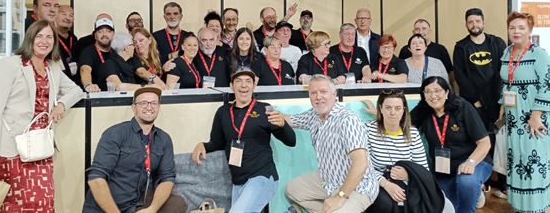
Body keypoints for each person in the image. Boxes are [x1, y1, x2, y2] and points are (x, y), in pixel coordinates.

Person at [0, 20, 83, 212]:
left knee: (44, 204)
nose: (44, 41)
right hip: (13, 150)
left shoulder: (52, 67)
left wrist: (61, 105)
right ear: (30, 38)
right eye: (39, 36)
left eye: (49, 37)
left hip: (41, 150)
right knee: (14, 205)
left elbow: (76, 91)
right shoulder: (10, 65)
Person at [191, 68, 296, 212]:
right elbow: (218, 142)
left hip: (263, 177)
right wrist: (202, 145)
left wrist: (283, 125)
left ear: (254, 85)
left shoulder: (265, 109)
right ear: (231, 85)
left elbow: (291, 141)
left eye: (248, 81)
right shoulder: (223, 112)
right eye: (239, 81)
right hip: (238, 182)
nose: (243, 85)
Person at [281, 75, 378, 212]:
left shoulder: (347, 120)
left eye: (323, 92)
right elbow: (289, 120)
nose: (318, 97)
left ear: (334, 94)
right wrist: (264, 112)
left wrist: (340, 197)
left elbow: (361, 164)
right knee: (292, 190)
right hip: (329, 180)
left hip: (358, 186)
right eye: (313, 93)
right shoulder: (313, 115)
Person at [84, 86, 187, 212]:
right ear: (134, 108)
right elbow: (95, 179)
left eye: (154, 103)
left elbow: (168, 178)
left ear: (159, 107)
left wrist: (152, 209)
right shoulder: (115, 134)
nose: (149, 107)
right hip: (107, 208)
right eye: (143, 103)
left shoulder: (164, 139)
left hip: (136, 204)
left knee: (177, 204)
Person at [411, 76, 492, 213]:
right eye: (428, 91)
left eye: (438, 90)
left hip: (474, 162)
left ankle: (474, 190)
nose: (433, 96)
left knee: (466, 182)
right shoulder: (423, 110)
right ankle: (475, 192)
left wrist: (470, 162)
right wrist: (380, 113)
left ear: (447, 92)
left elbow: (484, 143)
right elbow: (402, 124)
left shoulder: (462, 107)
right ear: (423, 95)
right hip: (444, 169)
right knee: (445, 207)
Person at [366, 90, 453, 213]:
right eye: (388, 107)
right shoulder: (368, 130)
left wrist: (409, 174)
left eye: (397, 108)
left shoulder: (412, 133)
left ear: (403, 110)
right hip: (378, 182)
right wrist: (385, 184)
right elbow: (363, 167)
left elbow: (423, 168)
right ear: (380, 108)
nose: (392, 112)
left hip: (409, 182)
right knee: (385, 203)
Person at [498, 12, 550, 213]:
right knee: (517, 160)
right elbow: (507, 83)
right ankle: (520, 206)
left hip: (533, 119)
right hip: (513, 119)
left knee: (533, 161)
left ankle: (537, 207)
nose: (516, 31)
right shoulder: (507, 52)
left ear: (530, 30)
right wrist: (503, 104)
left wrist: (536, 116)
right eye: (512, 28)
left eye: (521, 27)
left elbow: (547, 85)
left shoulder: (539, 54)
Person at [453, 8, 507, 198]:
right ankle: (481, 184)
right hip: (473, 104)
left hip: (496, 102)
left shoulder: (497, 43)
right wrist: (475, 100)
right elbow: (460, 76)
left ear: (483, 22)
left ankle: (503, 184)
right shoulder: (461, 47)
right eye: (470, 22)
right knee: (479, 141)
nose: (474, 25)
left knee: (500, 142)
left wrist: (498, 100)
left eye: (477, 21)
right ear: (466, 24)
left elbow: (503, 72)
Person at [79, 17, 116, 92]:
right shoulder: (88, 52)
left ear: (113, 34)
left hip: (113, 95)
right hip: (95, 95)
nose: (104, 34)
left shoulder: (115, 52)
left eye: (108, 31)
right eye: (100, 31)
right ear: (95, 35)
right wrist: (88, 85)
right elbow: (85, 70)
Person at [55, 5, 79, 81]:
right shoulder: (50, 37)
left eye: (71, 15)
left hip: (74, 80)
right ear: (55, 16)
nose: (68, 18)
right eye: (64, 14)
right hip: (58, 80)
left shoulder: (74, 38)